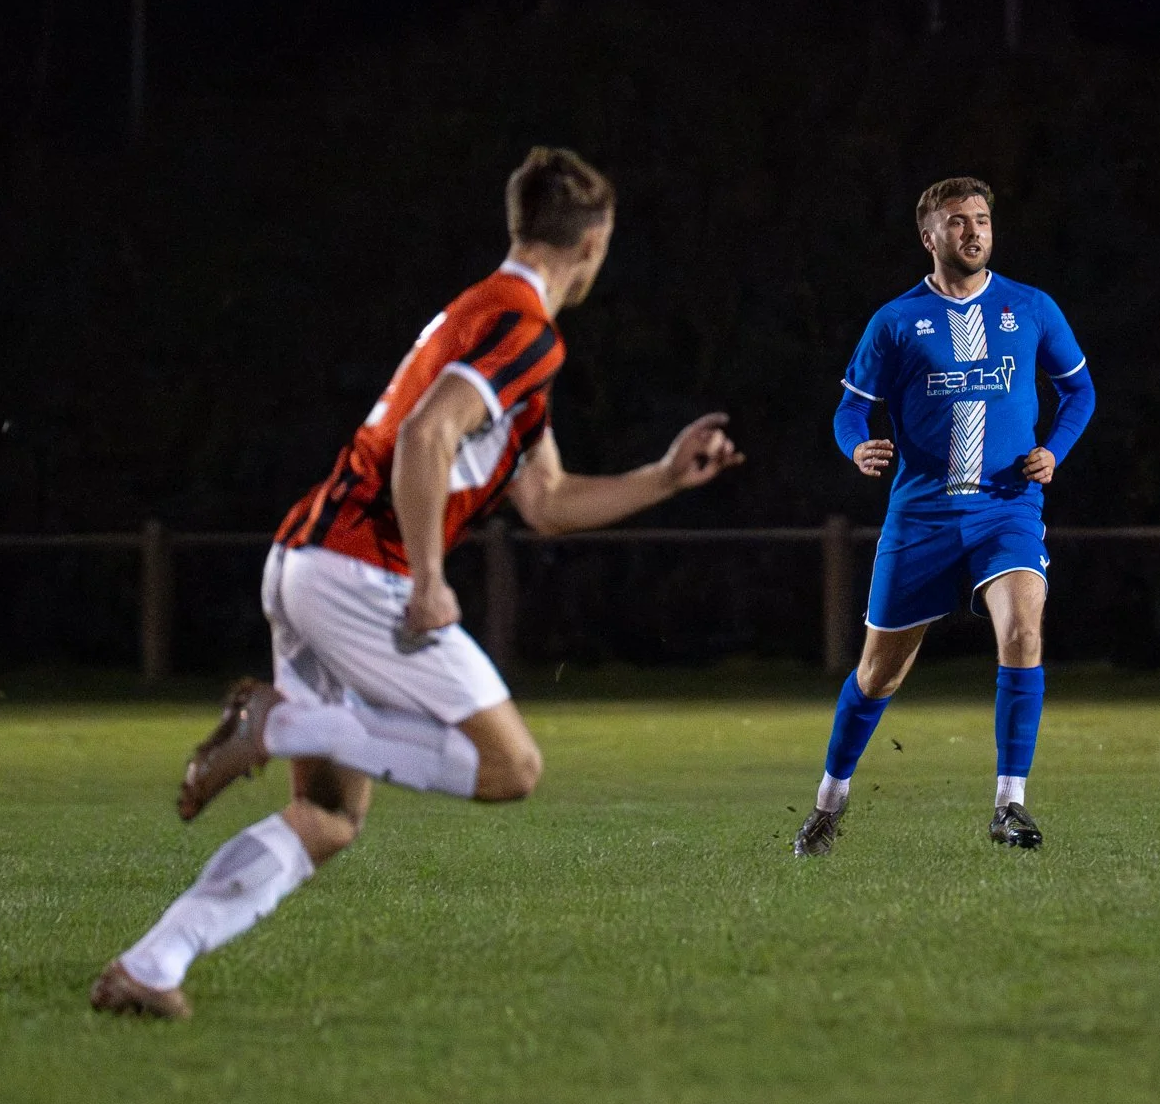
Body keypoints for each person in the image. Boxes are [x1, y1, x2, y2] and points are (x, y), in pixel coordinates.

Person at [91, 147, 744, 1018]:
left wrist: (664, 475)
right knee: (510, 766)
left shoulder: (486, 318)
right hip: (366, 572)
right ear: (593, 245)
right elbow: (426, 437)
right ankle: (276, 721)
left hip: (304, 564)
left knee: (326, 819)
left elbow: (545, 502)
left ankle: (150, 964)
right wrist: (430, 578)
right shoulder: (524, 327)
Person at [793, 177, 1094, 857]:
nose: (974, 232)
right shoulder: (897, 321)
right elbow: (849, 408)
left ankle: (1009, 804)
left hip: (1006, 509)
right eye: (958, 222)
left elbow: (1079, 389)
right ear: (929, 237)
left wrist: (1053, 451)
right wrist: (855, 446)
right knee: (878, 675)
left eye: (983, 219)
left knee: (1023, 629)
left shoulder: (1031, 307)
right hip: (924, 515)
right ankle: (828, 803)